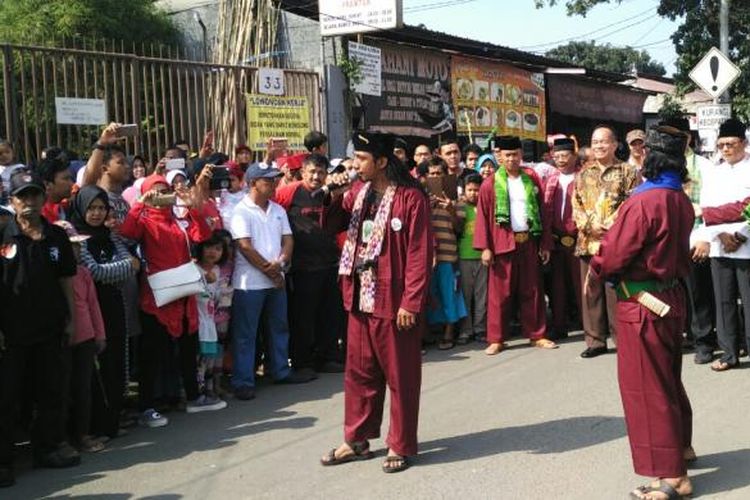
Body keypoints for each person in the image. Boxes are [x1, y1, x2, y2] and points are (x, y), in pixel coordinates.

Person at [590, 125, 695, 500]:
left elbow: (615, 254)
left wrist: (598, 265)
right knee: (667, 380)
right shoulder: (678, 197)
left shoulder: (644, 201)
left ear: (651, 156)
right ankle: (681, 449)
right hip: (670, 298)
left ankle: (672, 475)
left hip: (642, 303)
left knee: (647, 389)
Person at [320, 131, 433, 473]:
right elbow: (331, 226)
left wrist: (410, 302)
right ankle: (356, 439)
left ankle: (399, 444)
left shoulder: (411, 198)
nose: (355, 165)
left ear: (382, 162)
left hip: (393, 300)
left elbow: (419, 253)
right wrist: (331, 195)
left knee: (400, 376)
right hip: (359, 295)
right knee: (359, 373)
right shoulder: (357, 191)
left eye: (363, 160)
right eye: (355, 159)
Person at [120, 174, 225, 426]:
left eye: (164, 190)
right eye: (155, 191)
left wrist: (191, 207)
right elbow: (127, 232)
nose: (161, 195)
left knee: (188, 349)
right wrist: (141, 204)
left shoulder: (179, 220)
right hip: (157, 295)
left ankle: (193, 396)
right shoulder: (144, 218)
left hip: (184, 293)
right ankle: (147, 406)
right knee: (152, 355)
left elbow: (202, 236)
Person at [0, 170, 80, 488]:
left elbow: (66, 282)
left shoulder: (56, 236)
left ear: (43, 198)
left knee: (51, 392)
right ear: (11, 201)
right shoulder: (3, 237)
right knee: (7, 399)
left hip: (50, 329)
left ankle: (49, 448)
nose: (29, 202)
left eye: (34, 195)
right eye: (22, 196)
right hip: (12, 334)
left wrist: (72, 320)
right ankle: (4, 461)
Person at [230, 164, 314, 401]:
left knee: (279, 327)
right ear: (253, 182)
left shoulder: (277, 209)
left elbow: (287, 240)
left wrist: (282, 262)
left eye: (275, 180)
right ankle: (243, 380)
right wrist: (270, 271)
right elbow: (244, 246)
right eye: (268, 181)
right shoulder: (241, 211)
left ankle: (280, 370)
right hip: (250, 283)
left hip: (276, 279)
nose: (274, 184)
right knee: (246, 334)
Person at [474, 135, 557, 356]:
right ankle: (496, 338)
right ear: (499, 157)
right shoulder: (490, 184)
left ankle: (537, 334)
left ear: (521, 155)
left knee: (533, 290)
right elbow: (482, 217)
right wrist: (485, 247)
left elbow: (542, 212)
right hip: (502, 244)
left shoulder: (531, 178)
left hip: (529, 241)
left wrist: (545, 244)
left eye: (515, 155)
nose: (511, 159)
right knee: (500, 294)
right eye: (507, 155)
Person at [70, 185, 139, 439]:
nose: (97, 214)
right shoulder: (76, 238)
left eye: (101, 208)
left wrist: (118, 268)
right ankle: (97, 425)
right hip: (91, 311)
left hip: (114, 306)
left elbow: (134, 265)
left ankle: (113, 419)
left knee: (116, 364)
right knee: (96, 369)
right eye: (92, 208)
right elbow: (95, 271)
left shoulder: (110, 237)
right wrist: (122, 267)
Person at [274, 154, 346, 375]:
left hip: (329, 264)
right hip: (302, 267)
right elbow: (273, 213)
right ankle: (303, 362)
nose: (316, 176)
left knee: (330, 314)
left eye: (321, 172)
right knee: (303, 317)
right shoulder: (290, 192)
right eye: (312, 172)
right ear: (303, 172)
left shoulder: (332, 194)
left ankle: (329, 356)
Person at [573, 125, 639, 358]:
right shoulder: (582, 174)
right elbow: (576, 205)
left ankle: (622, 340)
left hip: (615, 241)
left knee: (615, 292)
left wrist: (610, 224)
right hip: (588, 241)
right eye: (595, 142)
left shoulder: (628, 172)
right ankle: (595, 340)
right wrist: (589, 225)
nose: (599, 146)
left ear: (614, 144)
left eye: (604, 142)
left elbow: (632, 203)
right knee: (590, 291)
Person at [692, 118, 750, 371]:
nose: (726, 149)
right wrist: (719, 235)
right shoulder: (714, 172)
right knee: (723, 301)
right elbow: (707, 208)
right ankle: (728, 353)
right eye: (721, 145)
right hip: (719, 244)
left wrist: (739, 235)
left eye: (731, 144)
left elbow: (747, 207)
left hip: (746, 244)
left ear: (744, 143)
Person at [54, 221, 107, 454]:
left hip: (86, 337)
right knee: (62, 390)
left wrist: (100, 335)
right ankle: (62, 438)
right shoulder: (51, 274)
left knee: (83, 388)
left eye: (77, 246)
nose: (75, 250)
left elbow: (93, 305)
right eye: (69, 246)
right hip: (62, 339)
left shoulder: (84, 272)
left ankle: (83, 434)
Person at [425, 157, 467, 349]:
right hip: (426, 258)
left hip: (448, 256)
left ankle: (449, 332)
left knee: (449, 294)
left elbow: (460, 229)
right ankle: (434, 331)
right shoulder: (420, 199)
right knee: (432, 295)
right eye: (431, 174)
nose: (435, 177)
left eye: (438, 174)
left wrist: (450, 209)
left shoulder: (456, 200)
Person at [543, 137, 582, 340]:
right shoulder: (550, 180)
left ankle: (588, 324)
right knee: (557, 287)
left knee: (581, 284)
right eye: (556, 156)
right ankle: (559, 325)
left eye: (565, 155)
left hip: (578, 238)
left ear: (574, 156)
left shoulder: (583, 178)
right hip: (556, 240)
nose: (560, 160)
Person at [195, 231, 230, 402]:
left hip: (211, 322)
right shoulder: (194, 269)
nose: (212, 252)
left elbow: (219, 296)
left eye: (218, 249)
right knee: (198, 359)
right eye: (209, 247)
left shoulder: (218, 270)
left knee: (210, 358)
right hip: (198, 321)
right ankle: (197, 392)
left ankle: (210, 389)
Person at [456, 173, 488, 344]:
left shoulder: (485, 207)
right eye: (470, 190)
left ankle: (480, 329)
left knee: (482, 295)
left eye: (477, 190)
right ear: (464, 190)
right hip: (464, 257)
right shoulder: (459, 207)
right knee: (465, 295)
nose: (473, 193)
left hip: (482, 256)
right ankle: (466, 330)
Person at [38, 158, 75, 223]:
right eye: (66, 179)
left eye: (70, 178)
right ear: (47, 184)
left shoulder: (67, 209)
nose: (71, 183)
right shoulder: (40, 216)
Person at [0, 139, 25, 204]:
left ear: (13, 153)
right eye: (0, 153)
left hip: (18, 197)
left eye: (7, 152)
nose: (4, 155)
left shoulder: (20, 167)